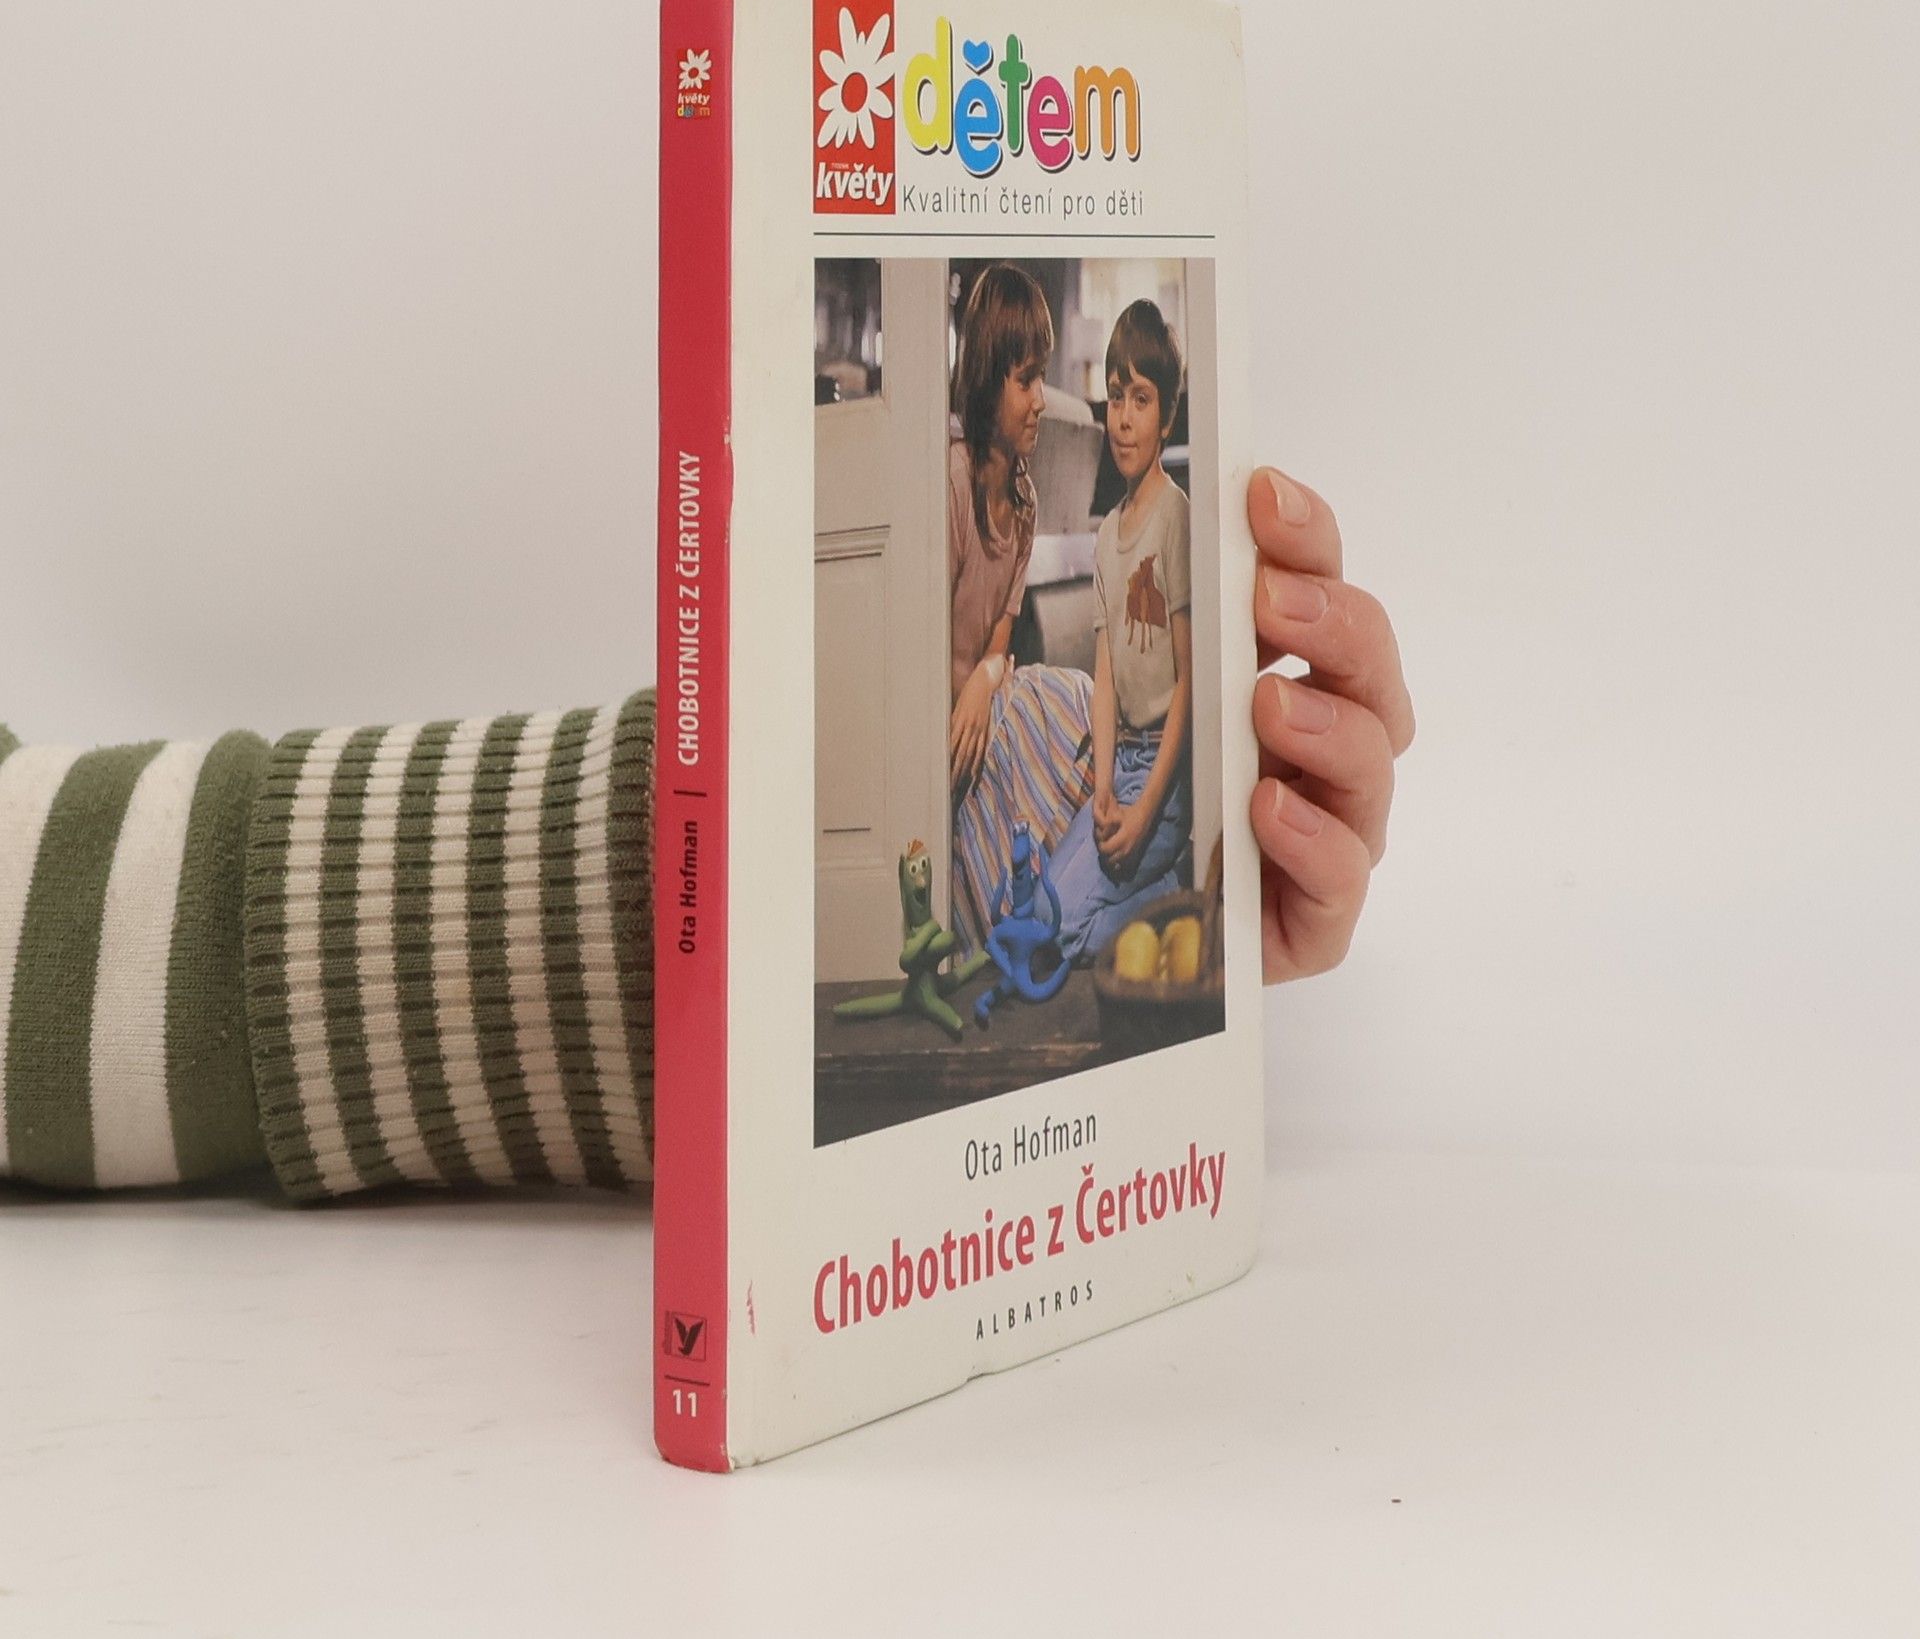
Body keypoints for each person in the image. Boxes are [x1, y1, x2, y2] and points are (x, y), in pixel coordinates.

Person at [0, 477, 1412, 1197]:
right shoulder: (946, 490)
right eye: (1027, 371)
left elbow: (1012, 634)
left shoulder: (1044, 515)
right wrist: (682, 904)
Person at [945, 263, 1098, 951]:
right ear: (988, 379)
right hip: (944, 729)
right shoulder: (952, 481)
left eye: (1042, 380)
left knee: (1077, 698)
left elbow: (1000, 641)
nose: (1040, 401)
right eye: (1025, 380)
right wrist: (970, 695)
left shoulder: (1026, 500)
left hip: (987, 700)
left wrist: (987, 678)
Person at [1050, 301, 1193, 961]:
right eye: (1114, 398)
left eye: (1141, 399)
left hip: (1166, 779)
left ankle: (1174, 894)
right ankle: (1145, 891)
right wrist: (1103, 789)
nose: (1124, 418)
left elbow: (1189, 682)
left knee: (1070, 935)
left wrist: (1143, 812)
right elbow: (1105, 679)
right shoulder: (1108, 534)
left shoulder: (1176, 518)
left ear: (1166, 416)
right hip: (1124, 764)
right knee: (1044, 910)